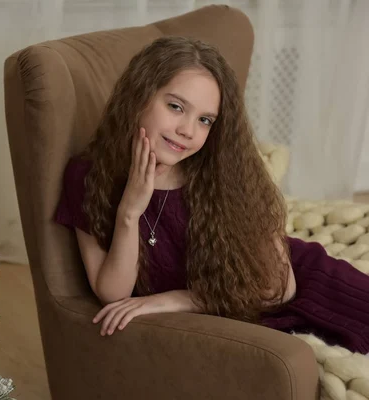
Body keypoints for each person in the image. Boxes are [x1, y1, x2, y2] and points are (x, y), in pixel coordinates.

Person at [54, 36, 369, 354]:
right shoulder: (87, 176)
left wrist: (176, 299)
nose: (188, 131)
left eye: (205, 120)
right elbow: (113, 295)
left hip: (310, 292)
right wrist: (129, 213)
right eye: (176, 107)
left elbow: (276, 288)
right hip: (245, 331)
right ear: (138, 97)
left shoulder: (224, 170)